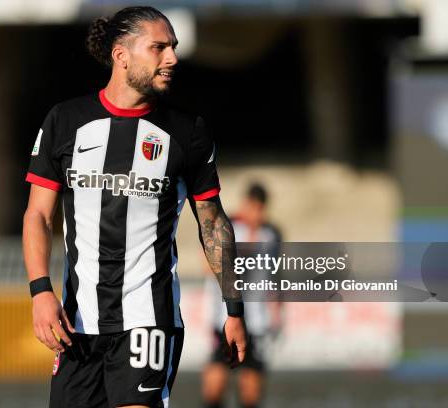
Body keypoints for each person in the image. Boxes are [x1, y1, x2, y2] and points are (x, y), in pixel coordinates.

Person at [22, 6, 247, 408]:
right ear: (121, 54)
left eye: (173, 48)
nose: (172, 58)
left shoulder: (186, 131)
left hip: (149, 318)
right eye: (158, 47)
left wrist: (234, 308)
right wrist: (41, 292)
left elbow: (213, 223)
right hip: (79, 322)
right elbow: (38, 215)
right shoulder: (65, 121)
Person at [202, 183, 283, 408]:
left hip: (257, 323)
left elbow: (275, 276)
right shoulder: (229, 228)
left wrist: (278, 316)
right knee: (214, 387)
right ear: (245, 205)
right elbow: (207, 265)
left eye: (261, 209)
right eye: (253, 207)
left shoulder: (272, 234)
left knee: (250, 392)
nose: (258, 214)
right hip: (226, 319)